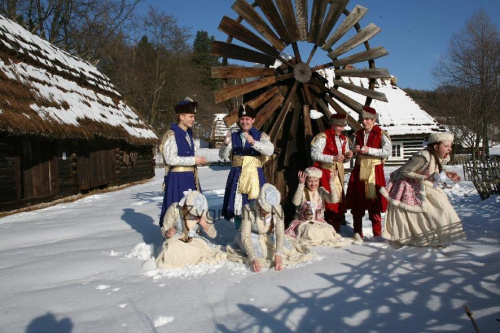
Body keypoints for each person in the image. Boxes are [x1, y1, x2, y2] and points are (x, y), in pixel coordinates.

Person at [381, 133, 465, 248]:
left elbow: (436, 164)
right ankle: (417, 238)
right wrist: (425, 177)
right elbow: (405, 171)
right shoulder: (423, 156)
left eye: (450, 146)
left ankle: (435, 237)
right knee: (421, 214)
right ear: (436, 147)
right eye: (446, 146)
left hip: (427, 186)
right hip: (410, 186)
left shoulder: (438, 155)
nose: (450, 149)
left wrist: (447, 172)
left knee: (441, 209)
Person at [226, 184, 312, 273]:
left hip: (267, 235)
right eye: (263, 210)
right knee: (260, 256)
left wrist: (278, 255)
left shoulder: (278, 209)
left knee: (288, 250)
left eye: (269, 211)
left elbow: (279, 233)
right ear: (259, 203)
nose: (266, 213)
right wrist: (253, 258)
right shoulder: (248, 209)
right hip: (250, 237)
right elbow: (245, 236)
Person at [219, 104, 274, 229]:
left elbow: (270, 150)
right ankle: (240, 232)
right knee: (237, 204)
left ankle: (254, 231)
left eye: (247, 119)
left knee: (255, 204)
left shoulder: (261, 135)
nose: (244, 122)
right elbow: (222, 156)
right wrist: (226, 144)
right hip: (237, 175)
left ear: (253, 120)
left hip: (255, 176)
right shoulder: (233, 136)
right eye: (242, 119)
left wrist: (254, 143)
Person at [159, 97, 207, 227]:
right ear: (181, 117)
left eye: (194, 116)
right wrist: (194, 160)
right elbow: (171, 159)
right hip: (178, 178)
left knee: (193, 209)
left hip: (190, 178)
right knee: (178, 210)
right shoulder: (172, 134)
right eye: (190, 116)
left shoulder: (188, 135)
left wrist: (197, 159)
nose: (193, 119)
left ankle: (193, 235)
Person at [346, 105, 391, 239]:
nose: (364, 122)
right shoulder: (358, 134)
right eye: (362, 119)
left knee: (374, 201)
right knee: (357, 199)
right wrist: (352, 152)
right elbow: (354, 150)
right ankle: (357, 232)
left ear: (373, 119)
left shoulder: (381, 134)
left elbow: (387, 151)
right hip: (359, 169)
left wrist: (369, 150)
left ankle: (377, 233)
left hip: (374, 170)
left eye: (367, 119)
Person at [156, 190, 226, 268]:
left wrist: (204, 224)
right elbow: (164, 228)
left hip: (194, 241)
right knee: (172, 248)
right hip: (177, 240)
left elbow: (213, 234)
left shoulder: (202, 211)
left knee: (200, 249)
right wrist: (167, 233)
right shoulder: (174, 209)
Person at [285, 167, 352, 247]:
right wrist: (301, 184)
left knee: (327, 230)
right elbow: (296, 202)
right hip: (304, 222)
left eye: (315, 181)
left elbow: (334, 200)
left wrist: (331, 183)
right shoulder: (302, 191)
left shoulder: (321, 191)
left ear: (319, 181)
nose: (313, 184)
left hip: (319, 222)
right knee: (310, 230)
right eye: (310, 181)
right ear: (306, 181)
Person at [311, 113, 353, 233]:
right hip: (325, 172)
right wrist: (332, 158)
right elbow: (314, 154)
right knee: (327, 201)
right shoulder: (323, 137)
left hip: (338, 173)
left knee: (338, 199)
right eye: (340, 126)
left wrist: (348, 156)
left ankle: (336, 229)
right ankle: (325, 229)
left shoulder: (343, 139)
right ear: (333, 125)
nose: (342, 129)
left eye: (343, 126)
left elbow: (343, 157)